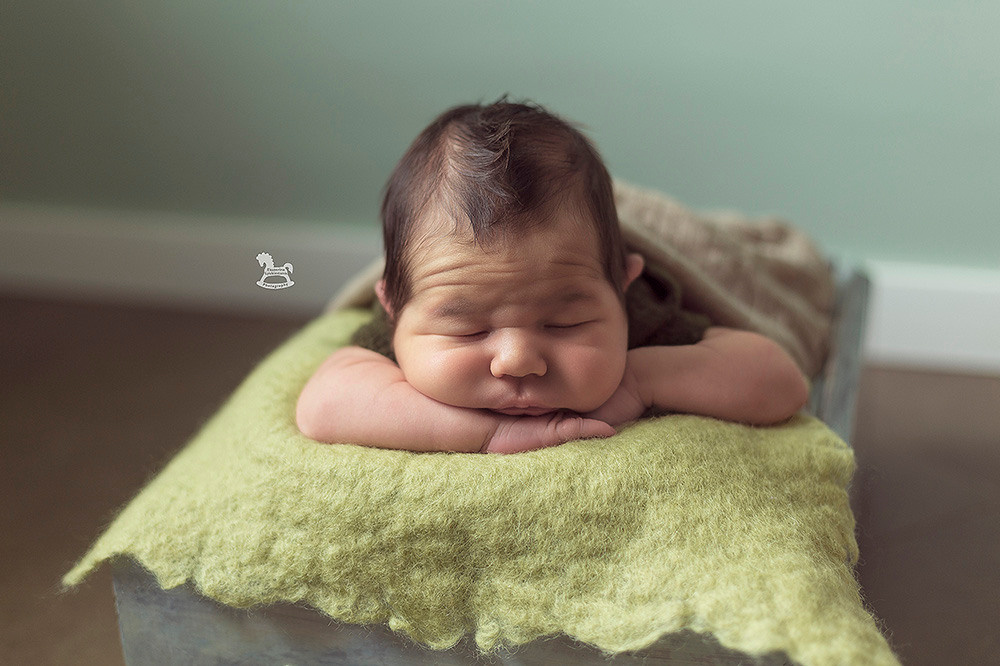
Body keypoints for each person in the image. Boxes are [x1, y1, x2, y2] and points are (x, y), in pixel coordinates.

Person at [296, 100, 808, 454]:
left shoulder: (641, 316)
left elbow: (779, 380)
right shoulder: (410, 319)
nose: (517, 360)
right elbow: (324, 405)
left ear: (622, 290)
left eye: (564, 323)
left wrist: (639, 377)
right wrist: (485, 434)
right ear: (393, 309)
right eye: (470, 330)